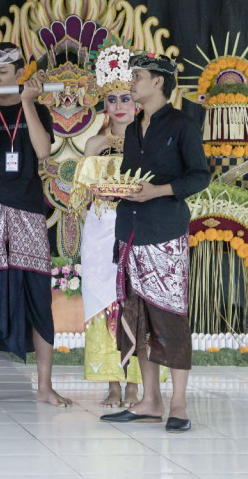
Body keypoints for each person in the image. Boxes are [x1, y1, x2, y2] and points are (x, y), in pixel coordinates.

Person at [101, 53, 209, 433]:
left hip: (165, 234)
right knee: (139, 318)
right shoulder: (132, 129)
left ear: (160, 82)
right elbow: (134, 179)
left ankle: (177, 405)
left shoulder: (182, 125)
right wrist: (115, 190)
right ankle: (150, 401)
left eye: (138, 76)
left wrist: (158, 191)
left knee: (169, 318)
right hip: (130, 232)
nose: (131, 82)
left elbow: (200, 177)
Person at [0, 42, 71, 408]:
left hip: (28, 212)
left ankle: (44, 386)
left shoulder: (36, 109)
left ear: (19, 74)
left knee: (38, 295)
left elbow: (42, 151)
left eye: (2, 74)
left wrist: (26, 102)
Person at [72, 44, 146, 407]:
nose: (119, 105)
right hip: (102, 231)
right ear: (105, 104)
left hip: (139, 228)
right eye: (113, 98)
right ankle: (112, 382)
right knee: (104, 302)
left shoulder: (147, 143)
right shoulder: (95, 144)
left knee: (136, 302)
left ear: (138, 102)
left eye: (126, 97)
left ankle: (134, 383)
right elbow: (80, 195)